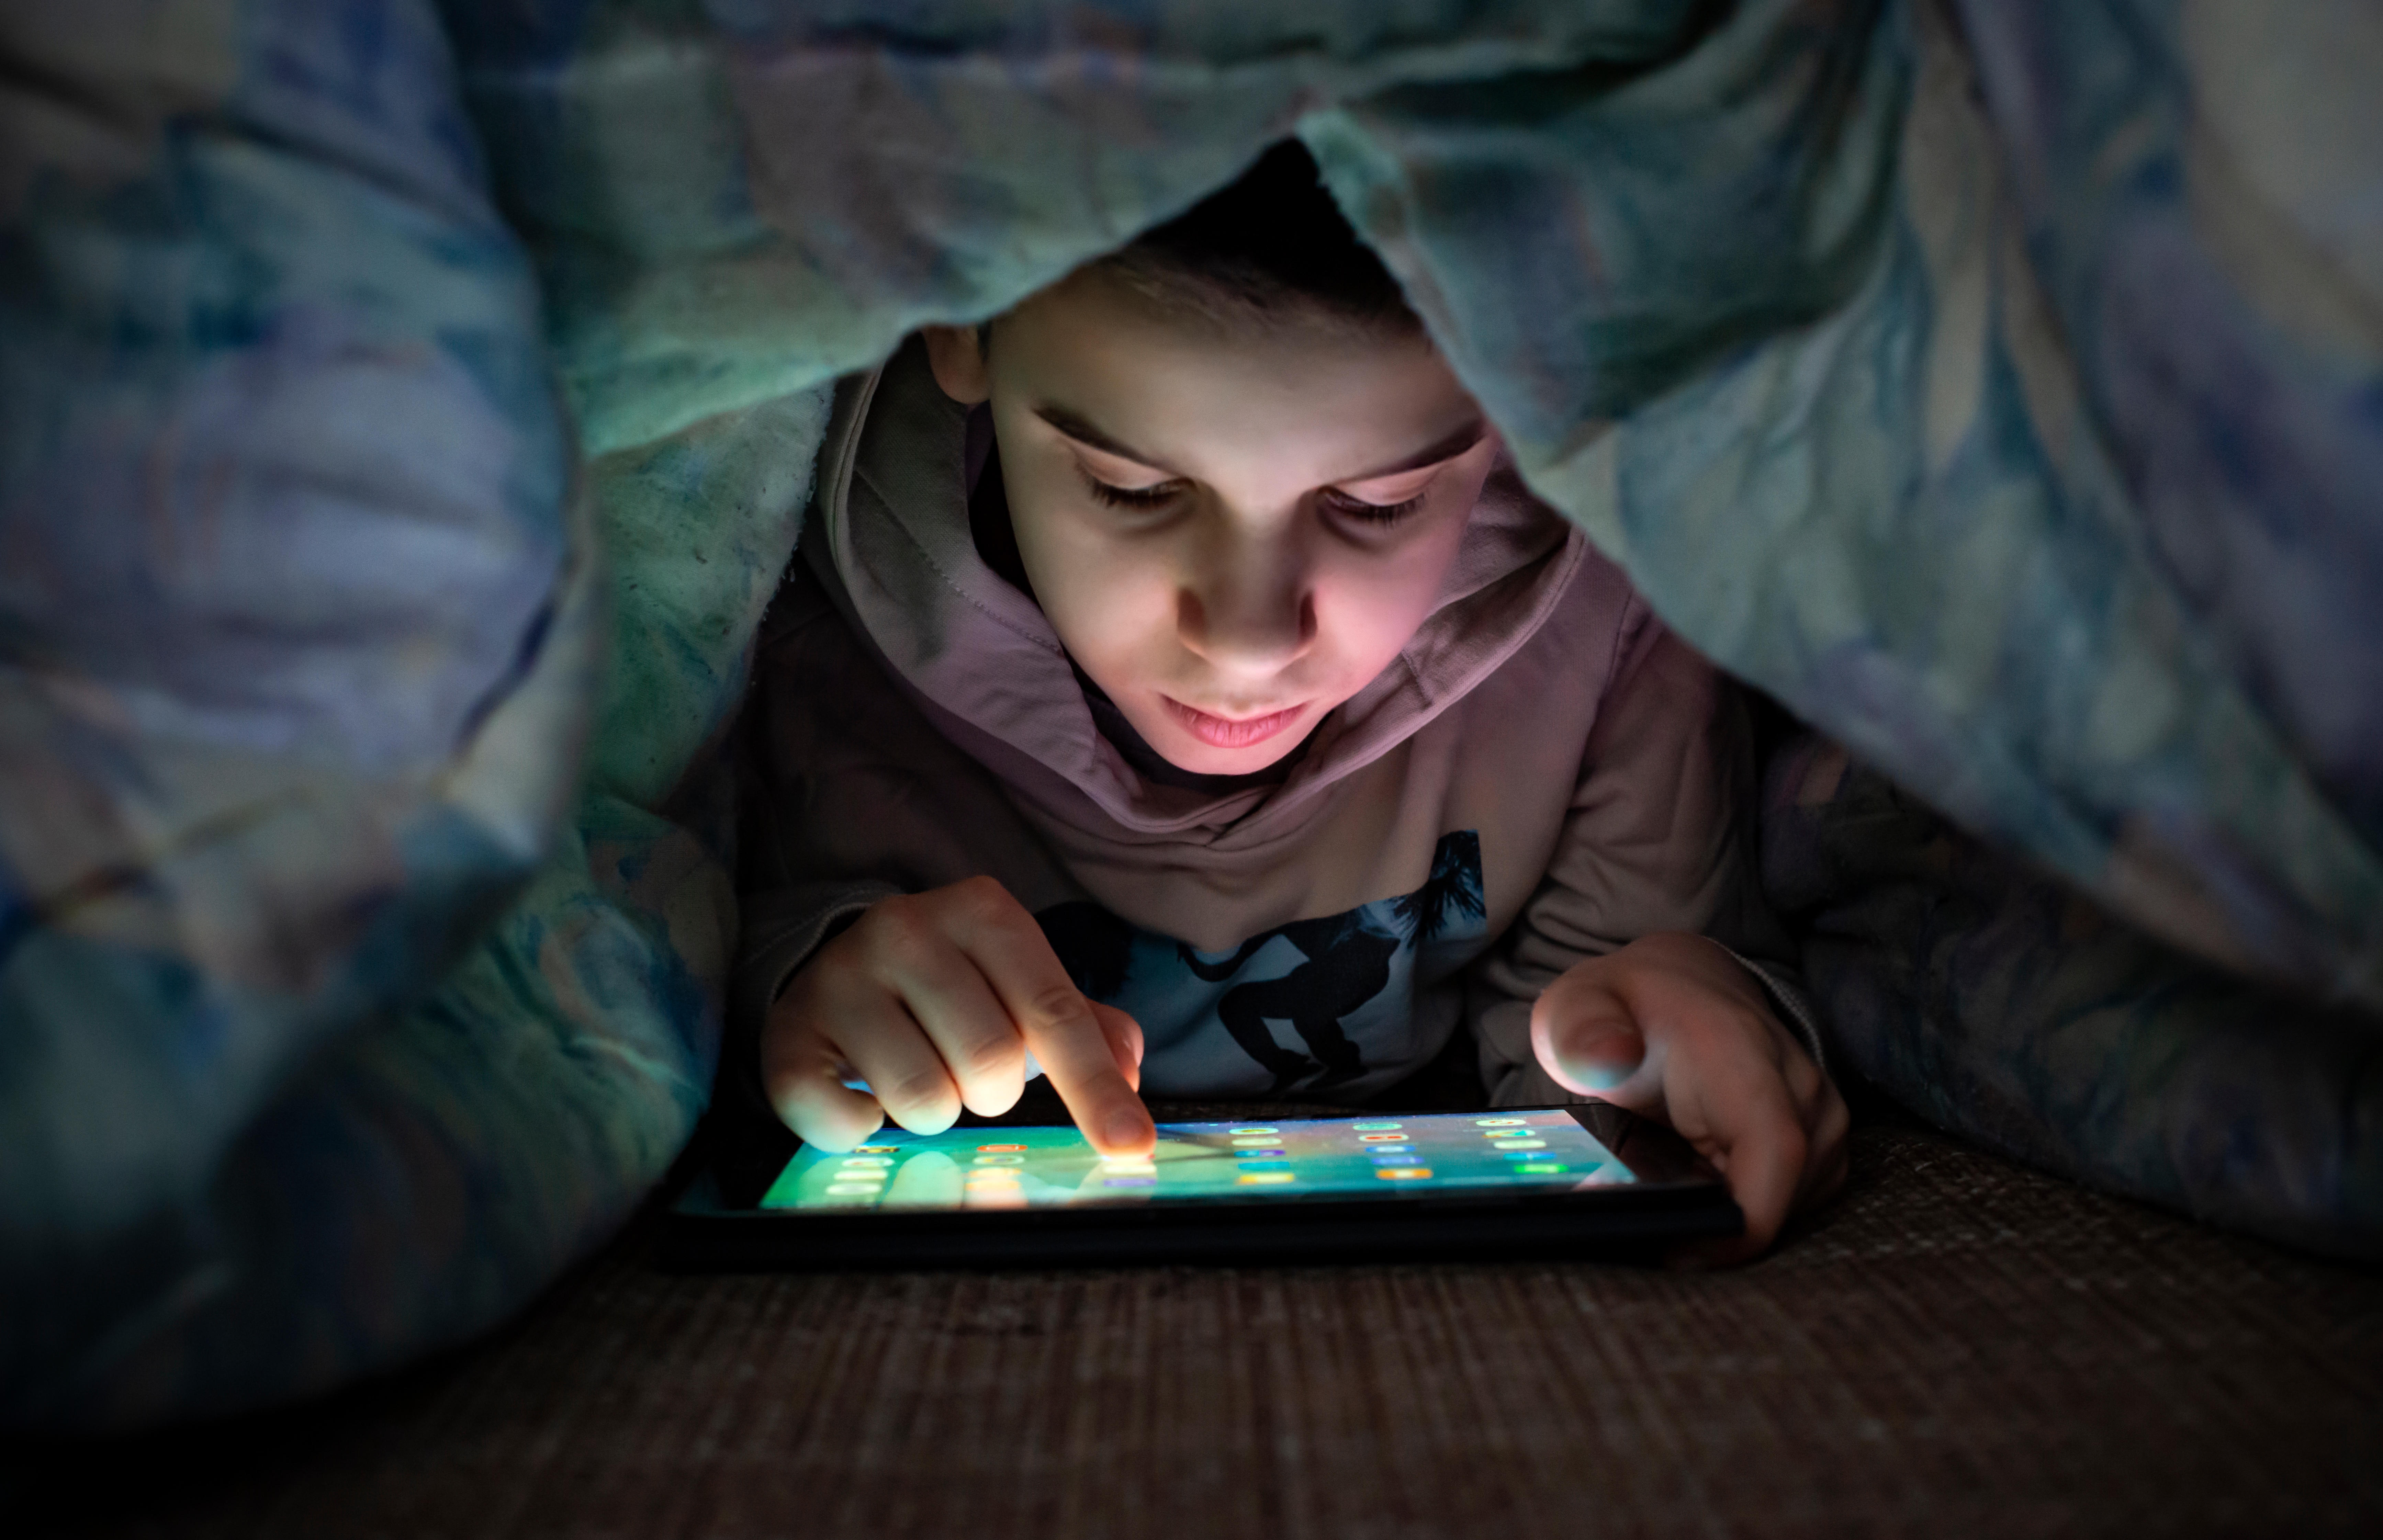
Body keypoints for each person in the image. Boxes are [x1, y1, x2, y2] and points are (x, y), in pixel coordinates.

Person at [734, 141, 1848, 1258]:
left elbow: (1609, 1068)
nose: (1250, 641)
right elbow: (665, 919)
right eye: (1132, 488)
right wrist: (789, 987)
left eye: (1378, 504)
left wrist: (1678, 1042)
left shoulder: (1614, 598)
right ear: (959, 321)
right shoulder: (755, 561)